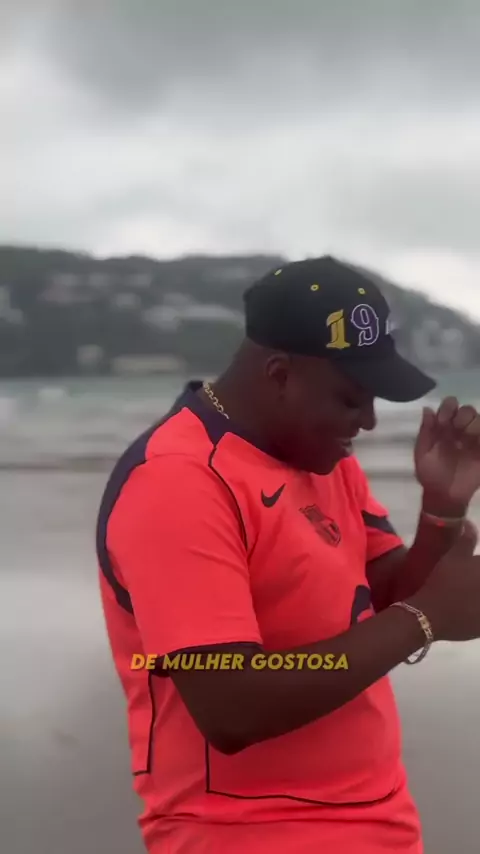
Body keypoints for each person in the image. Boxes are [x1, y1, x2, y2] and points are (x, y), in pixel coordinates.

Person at [96, 256, 480, 854]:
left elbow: (381, 600)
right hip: (243, 831)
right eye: (351, 400)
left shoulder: (320, 455)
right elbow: (232, 707)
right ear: (279, 374)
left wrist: (442, 510)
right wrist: (425, 619)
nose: (369, 422)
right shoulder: (178, 481)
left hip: (378, 813)